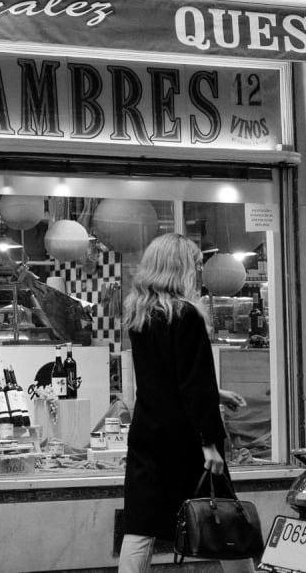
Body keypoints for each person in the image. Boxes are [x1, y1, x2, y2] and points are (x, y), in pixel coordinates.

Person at [118, 233, 254, 573]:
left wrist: (215, 393)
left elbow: (163, 377)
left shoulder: (139, 313)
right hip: (187, 438)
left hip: (148, 433)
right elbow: (191, 381)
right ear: (179, 267)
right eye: (194, 264)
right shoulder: (187, 315)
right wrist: (209, 442)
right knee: (224, 515)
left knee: (141, 524)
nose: (197, 271)